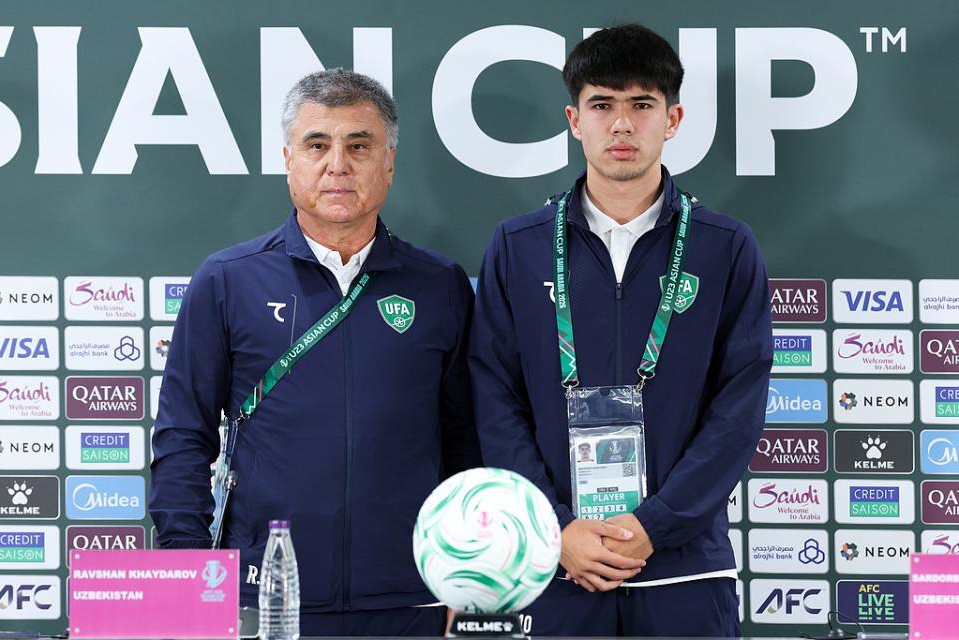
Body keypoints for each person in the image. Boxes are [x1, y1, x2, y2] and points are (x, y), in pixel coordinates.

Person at [150, 69, 481, 636]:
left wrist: (469, 572)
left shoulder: (441, 285)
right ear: (289, 160)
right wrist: (188, 571)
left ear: (389, 163)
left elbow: (467, 444)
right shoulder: (227, 280)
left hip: (412, 599)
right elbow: (183, 435)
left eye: (360, 146)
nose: (338, 165)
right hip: (263, 596)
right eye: (317, 145)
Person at [469, 24, 772, 637]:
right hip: (556, 567)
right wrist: (555, 526)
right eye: (602, 105)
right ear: (575, 121)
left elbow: (738, 408)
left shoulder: (725, 246)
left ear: (673, 118)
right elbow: (494, 400)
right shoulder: (518, 245)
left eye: (642, 105)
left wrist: (657, 524)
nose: (622, 125)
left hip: (683, 569)